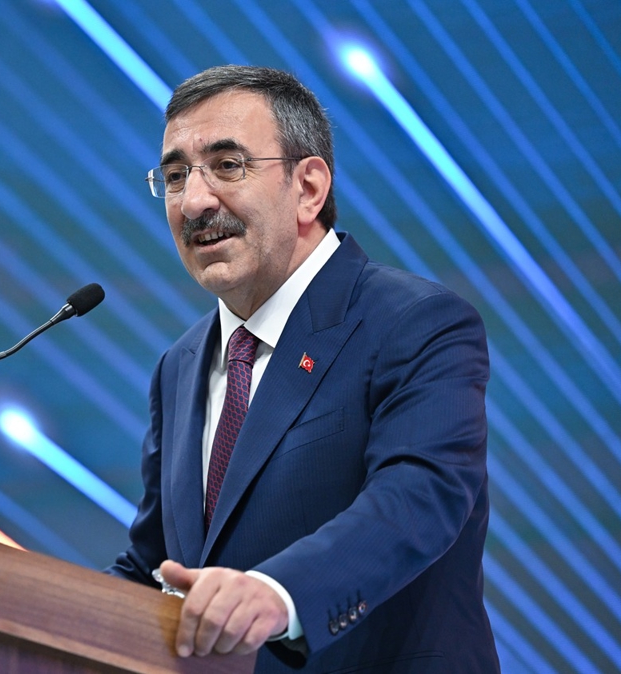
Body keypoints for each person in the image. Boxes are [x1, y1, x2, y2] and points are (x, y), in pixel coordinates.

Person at [108, 65, 498, 673]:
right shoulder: (179, 365)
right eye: (176, 176)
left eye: (227, 165)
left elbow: (418, 496)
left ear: (309, 188)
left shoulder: (416, 322)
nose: (195, 201)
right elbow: (155, 564)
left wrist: (278, 594)